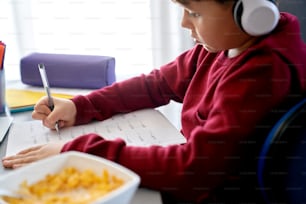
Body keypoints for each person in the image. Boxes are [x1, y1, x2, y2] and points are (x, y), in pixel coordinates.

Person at [3, 0, 306, 203]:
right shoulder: (223, 45)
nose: (184, 23)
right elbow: (156, 84)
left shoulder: (263, 72)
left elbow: (197, 170)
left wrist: (80, 151)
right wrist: (82, 106)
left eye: (194, 12)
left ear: (251, 12)